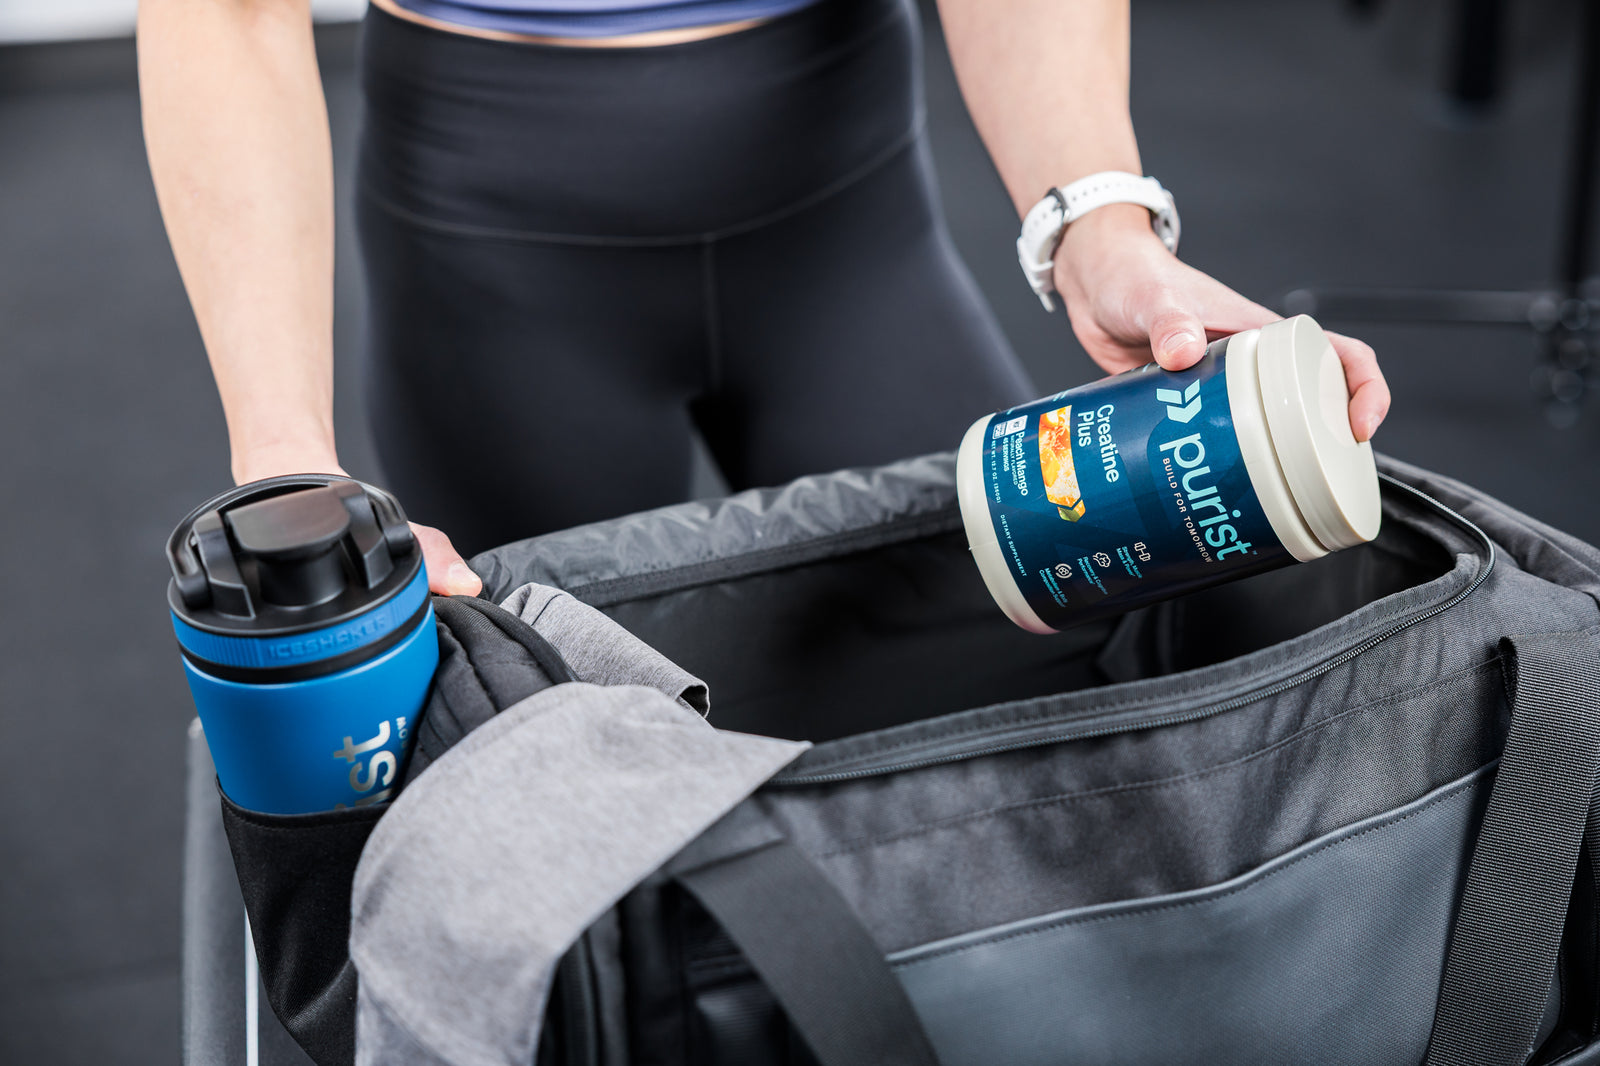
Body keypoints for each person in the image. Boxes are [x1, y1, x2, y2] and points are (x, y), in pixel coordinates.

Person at [138, 0, 1389, 599]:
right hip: (498, 250)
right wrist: (288, 472)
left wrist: (1102, 227)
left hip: (844, 213)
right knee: (558, 749)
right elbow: (226, 16)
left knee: (1030, 645)